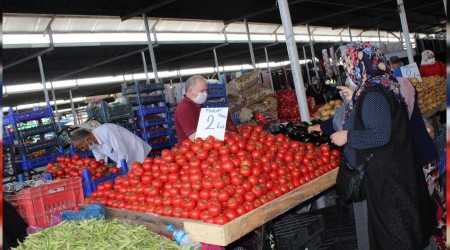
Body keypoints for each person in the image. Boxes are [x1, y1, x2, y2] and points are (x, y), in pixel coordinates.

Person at [312, 42, 435, 249]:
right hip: (398, 168)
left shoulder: (373, 94)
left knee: (395, 234)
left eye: (349, 65)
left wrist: (347, 136)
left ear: (359, 65)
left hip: (387, 177)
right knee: (408, 228)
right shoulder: (387, 84)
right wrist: (355, 101)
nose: (348, 71)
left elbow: (380, 135)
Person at [174, 75, 238, 145]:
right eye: (202, 91)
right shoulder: (185, 109)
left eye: (206, 90)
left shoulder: (198, 104)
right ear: (190, 91)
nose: (205, 93)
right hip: (192, 150)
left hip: (204, 147)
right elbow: (195, 137)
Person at [71, 123, 151, 168]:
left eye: (81, 147)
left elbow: (121, 149)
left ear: (87, 139)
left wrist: (119, 168)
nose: (82, 150)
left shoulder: (106, 130)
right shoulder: (93, 145)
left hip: (140, 155)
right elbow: (100, 160)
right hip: (128, 164)